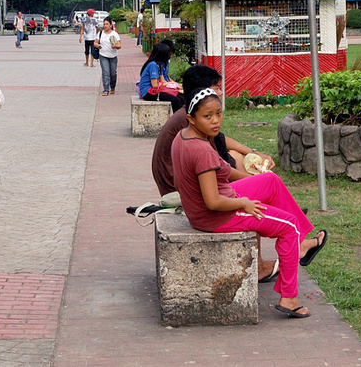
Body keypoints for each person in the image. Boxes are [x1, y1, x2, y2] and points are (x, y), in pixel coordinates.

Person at [171, 87, 327, 318]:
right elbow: (213, 202)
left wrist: (258, 176)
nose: (215, 121)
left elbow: (223, 171)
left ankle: (300, 244)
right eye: (207, 116)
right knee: (289, 226)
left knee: (270, 181)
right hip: (217, 215)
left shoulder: (185, 136)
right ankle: (289, 297)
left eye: (219, 114)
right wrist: (243, 203)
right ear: (191, 119)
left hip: (210, 205)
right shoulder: (201, 149)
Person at [152, 65, 279, 282]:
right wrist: (248, 192)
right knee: (247, 187)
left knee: (243, 166)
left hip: (186, 183)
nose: (220, 92)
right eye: (215, 88)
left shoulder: (193, 116)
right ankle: (257, 265)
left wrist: (253, 153)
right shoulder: (192, 124)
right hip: (185, 190)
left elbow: (223, 142)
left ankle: (274, 212)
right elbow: (217, 182)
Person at [138, 43, 183, 111]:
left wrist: (175, 85)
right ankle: (177, 120)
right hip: (149, 93)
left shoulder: (159, 65)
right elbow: (155, 85)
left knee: (181, 97)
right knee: (175, 100)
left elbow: (163, 80)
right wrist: (168, 84)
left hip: (156, 90)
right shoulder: (152, 65)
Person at [94, 17, 121, 95]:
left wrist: (115, 46)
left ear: (110, 25)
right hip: (103, 55)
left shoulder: (114, 34)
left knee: (113, 73)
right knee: (106, 72)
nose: (105, 26)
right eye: (104, 24)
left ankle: (112, 86)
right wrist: (97, 45)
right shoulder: (100, 33)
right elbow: (95, 42)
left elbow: (119, 45)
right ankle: (106, 90)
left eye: (107, 24)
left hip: (113, 56)